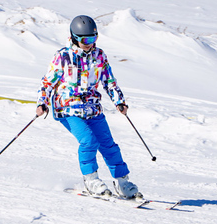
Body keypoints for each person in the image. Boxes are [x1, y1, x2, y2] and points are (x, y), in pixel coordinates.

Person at [36, 15, 141, 199]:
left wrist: (119, 101)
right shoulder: (62, 57)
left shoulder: (99, 56)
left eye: (93, 38)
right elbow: (47, 83)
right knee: (88, 141)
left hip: (92, 108)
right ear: (75, 37)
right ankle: (91, 179)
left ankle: (122, 182)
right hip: (67, 109)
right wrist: (42, 103)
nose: (89, 43)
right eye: (85, 40)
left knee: (108, 144)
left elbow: (109, 81)